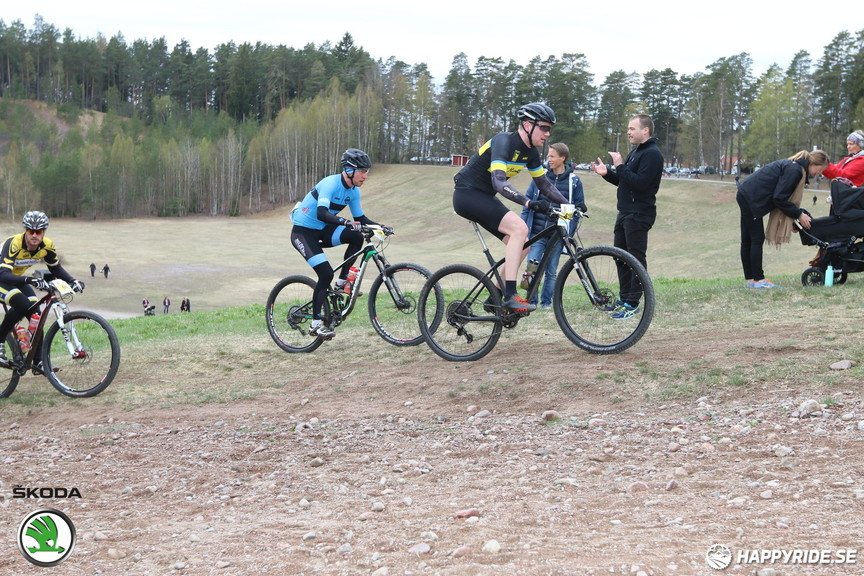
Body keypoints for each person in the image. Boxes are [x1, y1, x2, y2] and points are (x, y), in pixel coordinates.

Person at [452, 102, 571, 313]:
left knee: (525, 243)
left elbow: (544, 185)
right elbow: (499, 182)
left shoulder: (531, 153)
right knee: (520, 228)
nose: (547, 134)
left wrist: (569, 204)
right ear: (528, 125)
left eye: (549, 129)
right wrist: (528, 202)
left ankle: (494, 297)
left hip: (484, 196)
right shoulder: (503, 141)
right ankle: (510, 296)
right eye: (544, 127)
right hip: (467, 194)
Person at [290, 148, 388, 338]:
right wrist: (345, 222)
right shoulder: (330, 183)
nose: (365, 176)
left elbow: (361, 219)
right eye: (362, 171)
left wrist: (381, 227)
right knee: (325, 273)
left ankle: (342, 282)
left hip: (323, 230)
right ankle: (315, 324)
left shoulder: (354, 192)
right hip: (303, 233)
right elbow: (322, 213)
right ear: (349, 170)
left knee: (356, 237)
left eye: (367, 171)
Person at [590, 114, 663, 318]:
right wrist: (607, 173)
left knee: (635, 258)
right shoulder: (636, 152)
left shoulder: (652, 154)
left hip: (639, 214)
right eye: (628, 129)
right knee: (620, 257)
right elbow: (625, 181)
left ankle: (633, 303)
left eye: (632, 128)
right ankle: (624, 298)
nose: (628, 132)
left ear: (645, 130)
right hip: (625, 212)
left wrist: (620, 165)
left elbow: (640, 184)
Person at [0, 211, 84, 366]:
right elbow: (4, 275)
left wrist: (73, 280)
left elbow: (55, 268)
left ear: (44, 232)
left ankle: (39, 362)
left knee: (36, 314)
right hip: (2, 278)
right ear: (26, 230)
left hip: (16, 279)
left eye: (38, 232)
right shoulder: (14, 243)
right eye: (31, 231)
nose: (34, 235)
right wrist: (29, 280)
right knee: (22, 304)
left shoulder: (47, 245)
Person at [736, 149, 830, 288]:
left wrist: (794, 217)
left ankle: (751, 280)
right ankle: (758, 280)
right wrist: (798, 215)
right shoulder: (795, 170)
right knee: (755, 239)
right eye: (820, 169)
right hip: (751, 197)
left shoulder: (794, 166)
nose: (819, 173)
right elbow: (779, 198)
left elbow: (781, 197)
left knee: (747, 240)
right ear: (813, 164)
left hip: (746, 193)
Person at [519, 142, 586, 308]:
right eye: (548, 156)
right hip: (537, 233)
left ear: (563, 158)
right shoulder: (539, 177)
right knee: (532, 268)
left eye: (552, 156)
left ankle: (546, 303)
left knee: (551, 271)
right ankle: (531, 302)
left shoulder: (574, 181)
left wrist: (568, 234)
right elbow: (527, 203)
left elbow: (578, 208)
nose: (548, 159)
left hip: (557, 235)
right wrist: (523, 228)